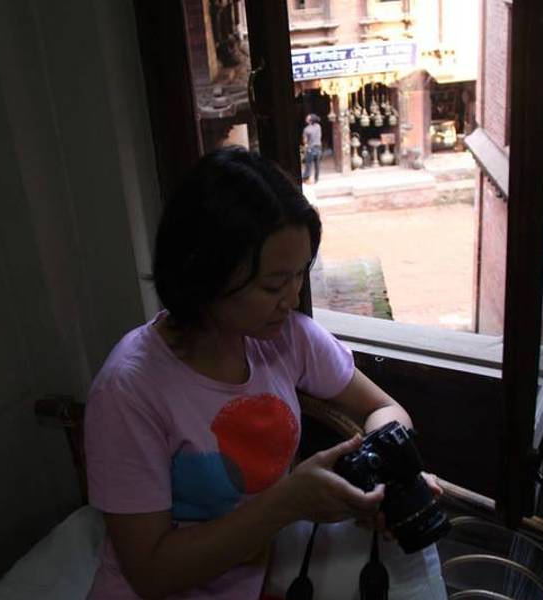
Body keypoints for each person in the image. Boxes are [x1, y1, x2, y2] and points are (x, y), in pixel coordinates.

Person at [84, 147, 444, 599]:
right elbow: (150, 573)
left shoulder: (285, 336)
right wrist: (286, 503)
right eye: (273, 285)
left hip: (261, 577)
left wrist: (384, 470)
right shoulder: (130, 389)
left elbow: (384, 409)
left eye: (300, 275)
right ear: (205, 272)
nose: (292, 299)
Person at [301, 113, 322, 184]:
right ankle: (316, 179)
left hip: (311, 148)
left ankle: (306, 178)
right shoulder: (318, 126)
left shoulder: (306, 129)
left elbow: (305, 141)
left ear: (310, 120)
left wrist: (306, 147)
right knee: (317, 165)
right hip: (318, 147)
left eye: (307, 118)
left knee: (308, 165)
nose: (306, 118)